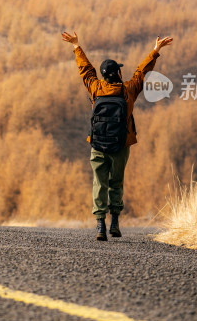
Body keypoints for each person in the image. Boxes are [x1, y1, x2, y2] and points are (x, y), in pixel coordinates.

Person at [61, 31, 173, 241]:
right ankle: (115, 222)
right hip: (121, 144)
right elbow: (142, 72)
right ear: (118, 74)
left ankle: (100, 225)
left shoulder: (95, 88)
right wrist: (155, 51)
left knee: (99, 182)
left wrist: (77, 46)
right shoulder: (128, 90)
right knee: (116, 182)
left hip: (98, 144)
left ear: (104, 75)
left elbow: (85, 70)